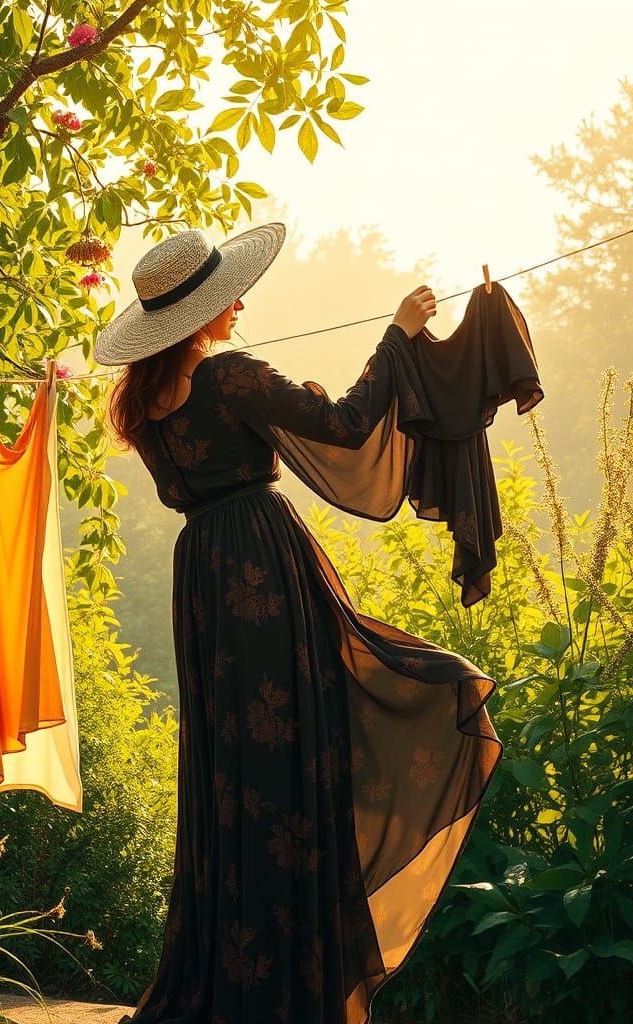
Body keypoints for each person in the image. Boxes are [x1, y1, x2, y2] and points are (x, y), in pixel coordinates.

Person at [94, 224, 504, 1024]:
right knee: (296, 756)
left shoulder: (142, 407)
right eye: (223, 296)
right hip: (261, 568)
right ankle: (289, 986)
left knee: (236, 776)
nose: (239, 301)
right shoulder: (233, 378)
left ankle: (244, 974)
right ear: (193, 317)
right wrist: (399, 336)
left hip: (203, 581)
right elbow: (349, 426)